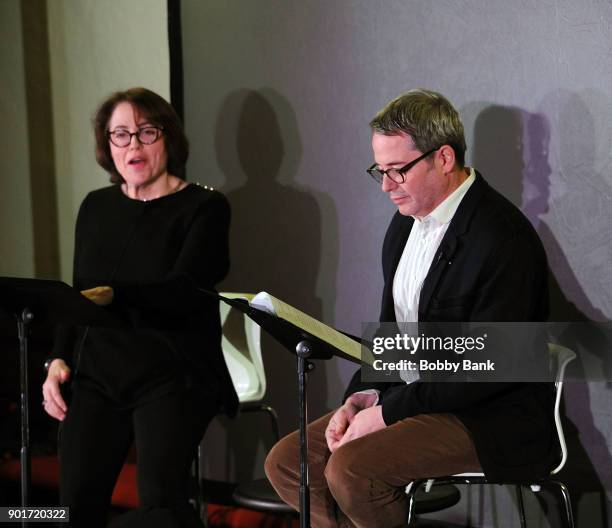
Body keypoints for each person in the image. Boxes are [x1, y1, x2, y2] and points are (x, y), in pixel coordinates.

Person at [264, 89, 557, 528]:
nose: (385, 186)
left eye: (397, 171)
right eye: (378, 171)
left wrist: (386, 413)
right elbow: (393, 336)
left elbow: (486, 366)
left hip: (487, 412)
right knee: (289, 462)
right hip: (413, 396)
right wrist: (360, 398)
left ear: (443, 158)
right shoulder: (404, 226)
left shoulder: (503, 238)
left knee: (352, 469)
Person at [41, 87, 237, 527]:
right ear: (106, 145)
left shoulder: (204, 207)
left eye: (146, 132)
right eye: (121, 135)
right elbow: (79, 293)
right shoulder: (96, 207)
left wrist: (116, 295)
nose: (133, 145)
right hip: (98, 372)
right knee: (68, 510)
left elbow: (185, 289)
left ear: (169, 138)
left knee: (160, 507)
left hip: (171, 371)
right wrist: (56, 359)